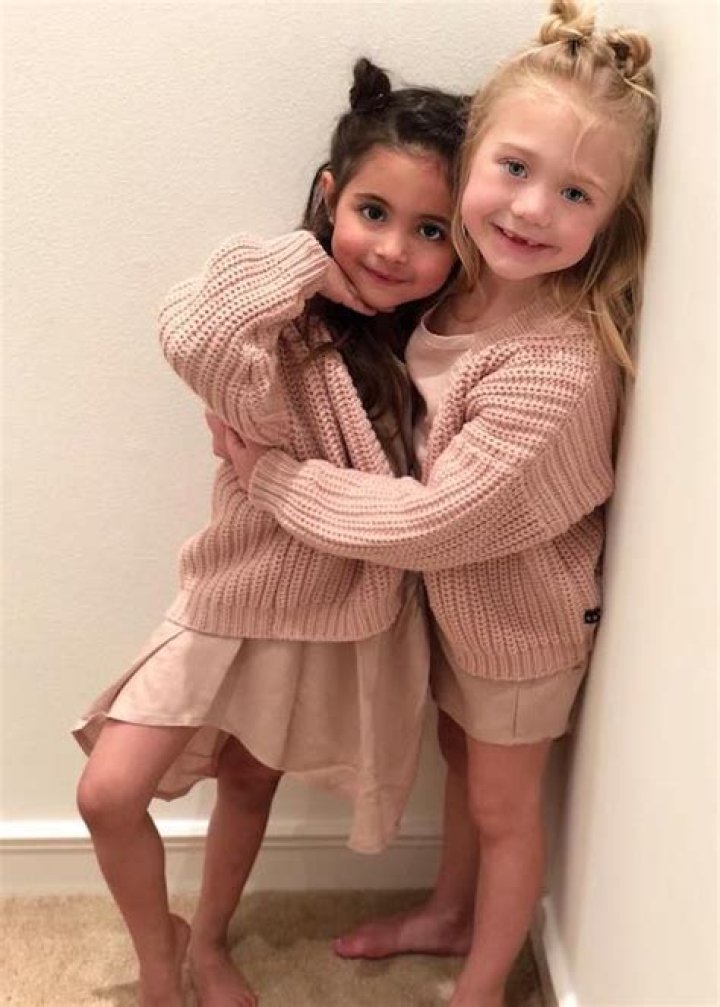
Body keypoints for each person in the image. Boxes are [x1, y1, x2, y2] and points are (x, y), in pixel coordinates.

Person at [219, 4, 658, 1004]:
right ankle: (450, 913)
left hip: (520, 627)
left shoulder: (556, 363)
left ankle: (483, 983)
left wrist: (273, 479)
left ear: (611, 218)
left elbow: (438, 518)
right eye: (514, 168)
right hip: (454, 609)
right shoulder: (456, 291)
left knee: (503, 806)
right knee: (460, 760)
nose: (533, 209)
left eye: (576, 193)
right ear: (468, 166)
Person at [73, 59, 467, 1007]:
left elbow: (418, 507)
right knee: (108, 792)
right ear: (330, 196)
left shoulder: (437, 348)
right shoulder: (284, 325)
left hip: (334, 606)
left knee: (250, 782)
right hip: (234, 588)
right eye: (372, 211)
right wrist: (311, 260)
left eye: (431, 230)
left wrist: (282, 476)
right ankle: (161, 964)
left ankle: (211, 940)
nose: (393, 249)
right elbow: (193, 334)